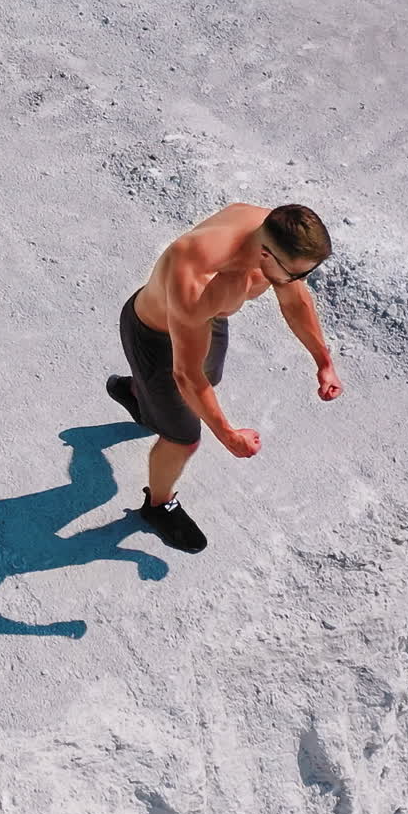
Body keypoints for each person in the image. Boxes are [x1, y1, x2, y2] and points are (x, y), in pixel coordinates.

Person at [107, 203, 343, 552]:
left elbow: (295, 301)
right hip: (155, 339)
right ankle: (157, 506)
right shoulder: (198, 276)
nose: (297, 282)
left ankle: (140, 394)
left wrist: (324, 362)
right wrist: (229, 436)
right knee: (184, 436)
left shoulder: (278, 234)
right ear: (266, 254)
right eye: (294, 274)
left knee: (210, 379)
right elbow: (186, 375)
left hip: (207, 319)